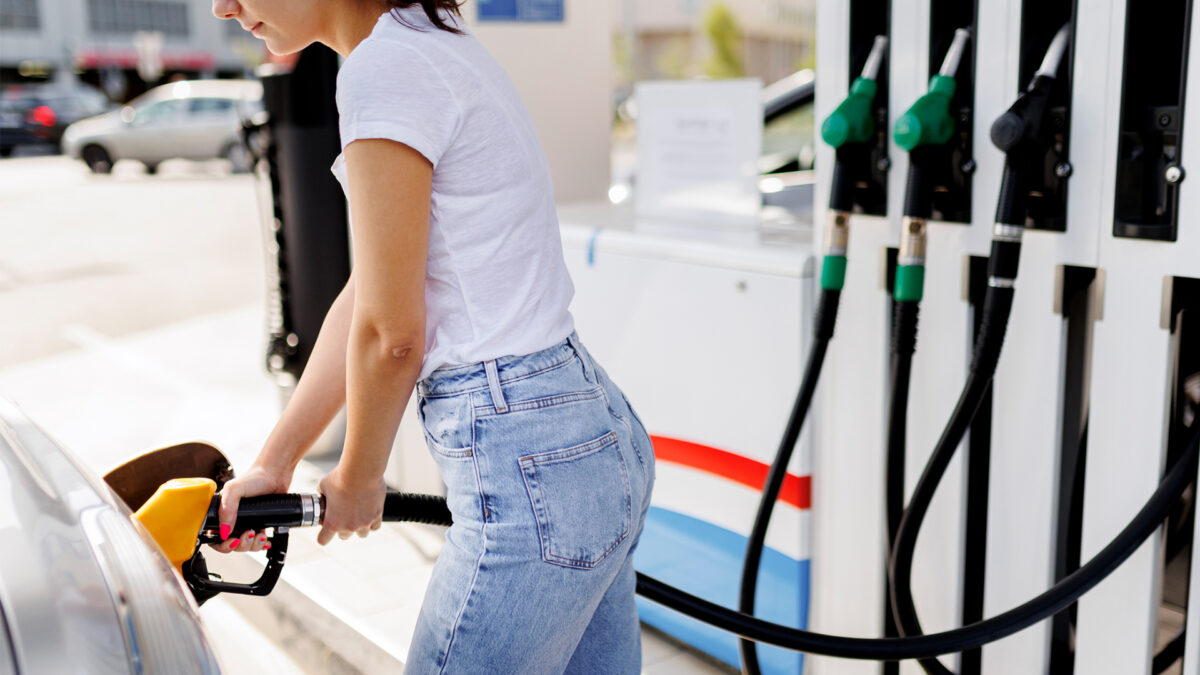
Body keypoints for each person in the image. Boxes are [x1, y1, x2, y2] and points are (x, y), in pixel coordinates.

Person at [208, 1, 655, 672]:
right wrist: (277, 461)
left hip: (529, 460)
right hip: (586, 433)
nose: (224, 6)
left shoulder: (383, 70)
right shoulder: (430, 45)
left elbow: (393, 335)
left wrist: (361, 473)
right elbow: (371, 293)